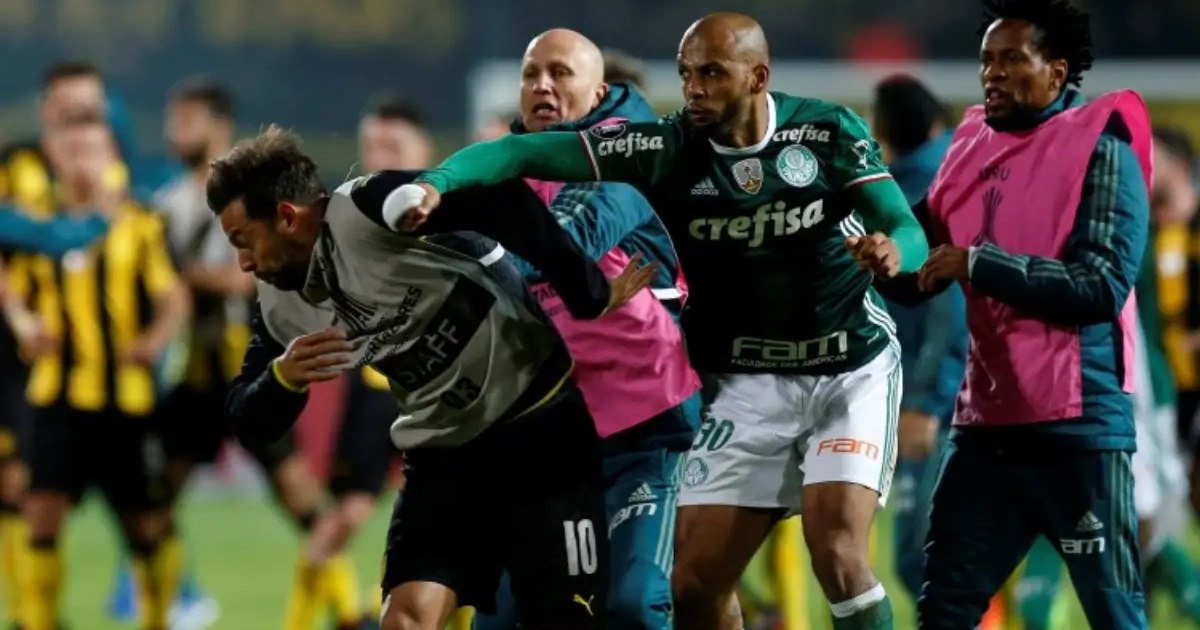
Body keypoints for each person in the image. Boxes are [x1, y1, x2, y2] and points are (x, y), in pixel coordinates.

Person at [393, 12, 929, 630]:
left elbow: (906, 227)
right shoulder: (663, 149)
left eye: (712, 73)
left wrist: (895, 253)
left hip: (848, 365)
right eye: (685, 74)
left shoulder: (825, 131)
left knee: (835, 550)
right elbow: (518, 151)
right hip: (746, 378)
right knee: (693, 585)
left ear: (757, 77)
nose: (693, 88)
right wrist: (435, 184)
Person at [208, 126, 658, 630]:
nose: (243, 262)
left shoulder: (366, 210)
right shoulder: (280, 303)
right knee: (405, 622)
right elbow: (246, 420)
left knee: (567, 620)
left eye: (243, 240)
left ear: (287, 217)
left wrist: (586, 293)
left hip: (539, 431)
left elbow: (503, 197)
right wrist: (283, 379)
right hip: (444, 458)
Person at [878, 1, 1152, 627]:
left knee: (1114, 614)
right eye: (986, 61)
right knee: (943, 608)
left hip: (1078, 430)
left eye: (1011, 59)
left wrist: (978, 263)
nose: (992, 73)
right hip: (987, 427)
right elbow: (920, 269)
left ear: (1057, 72)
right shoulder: (968, 146)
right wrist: (883, 260)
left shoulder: (1101, 148)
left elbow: (1100, 285)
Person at [470, 30, 700, 630]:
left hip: (644, 433)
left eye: (560, 73)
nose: (542, 86)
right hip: (549, 437)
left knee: (634, 607)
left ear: (598, 92)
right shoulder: (505, 174)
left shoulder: (627, 160)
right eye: (531, 74)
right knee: (499, 618)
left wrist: (477, 255)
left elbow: (569, 240)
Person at [3, 112, 191, 630]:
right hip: (55, 397)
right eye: (72, 151)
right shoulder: (34, 224)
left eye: (92, 150)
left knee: (145, 527)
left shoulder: (140, 220)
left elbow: (173, 295)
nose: (82, 162)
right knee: (39, 515)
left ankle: (158, 620)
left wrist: (155, 340)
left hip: (125, 400)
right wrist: (24, 323)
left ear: (111, 157)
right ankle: (38, 622)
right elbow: (12, 287)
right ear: (55, 157)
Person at [868, 75, 969, 616]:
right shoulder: (904, 185)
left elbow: (949, 310)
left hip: (940, 401)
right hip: (927, 391)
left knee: (924, 558)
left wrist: (925, 404)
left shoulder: (931, 190)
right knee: (932, 558)